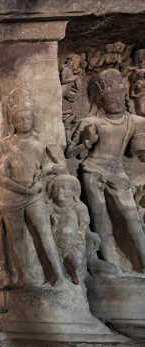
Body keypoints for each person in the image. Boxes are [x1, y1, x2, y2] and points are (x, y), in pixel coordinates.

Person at [68, 68, 145, 272]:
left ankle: (142, 262)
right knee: (100, 220)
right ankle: (110, 264)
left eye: (119, 95)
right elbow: (70, 152)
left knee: (132, 220)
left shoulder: (135, 122)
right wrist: (86, 142)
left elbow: (139, 152)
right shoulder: (91, 122)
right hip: (93, 171)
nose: (116, 100)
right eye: (110, 97)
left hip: (117, 172)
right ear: (101, 100)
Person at [0, 87, 67, 286]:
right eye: (18, 119)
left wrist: (46, 170)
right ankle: (25, 277)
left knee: (45, 232)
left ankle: (59, 275)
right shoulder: (6, 144)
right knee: (17, 238)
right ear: (12, 122)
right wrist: (23, 189)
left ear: (33, 118)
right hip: (12, 195)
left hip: (35, 192)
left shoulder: (42, 140)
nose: (23, 122)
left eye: (27, 118)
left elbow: (60, 165)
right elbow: (2, 176)